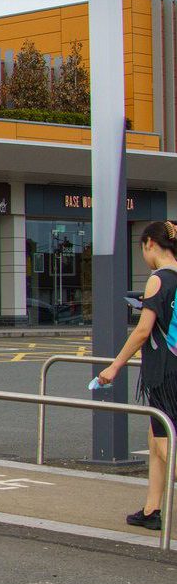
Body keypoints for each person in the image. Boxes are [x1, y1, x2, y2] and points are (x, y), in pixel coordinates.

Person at [96, 220, 177, 530]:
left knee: (163, 443)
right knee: (157, 436)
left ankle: (153, 509)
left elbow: (143, 330)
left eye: (142, 248)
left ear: (150, 245)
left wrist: (115, 365)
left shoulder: (158, 279)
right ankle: (152, 508)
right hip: (175, 369)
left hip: (164, 374)